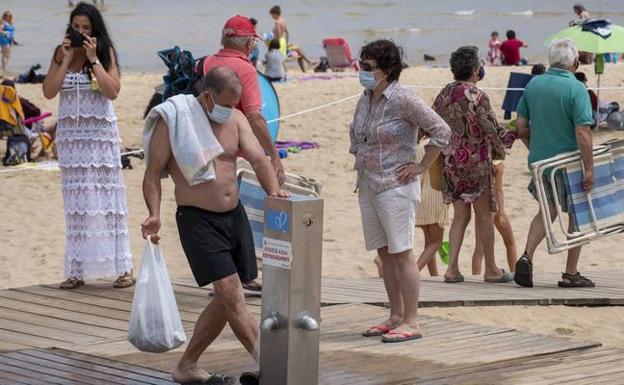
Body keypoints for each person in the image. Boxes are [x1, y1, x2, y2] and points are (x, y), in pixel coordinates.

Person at [142, 66, 286, 385]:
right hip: (197, 220)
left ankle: (187, 365)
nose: (230, 110)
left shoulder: (234, 119)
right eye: (225, 103)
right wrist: (154, 213)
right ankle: (274, 369)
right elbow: (152, 173)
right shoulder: (176, 120)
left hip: (234, 216)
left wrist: (274, 193)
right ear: (207, 96)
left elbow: (259, 159)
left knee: (226, 299)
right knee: (232, 294)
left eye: (235, 104)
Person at [350, 40, 451, 342]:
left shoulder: (404, 98)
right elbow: (356, 132)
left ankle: (411, 320)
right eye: (361, 65)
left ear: (387, 69)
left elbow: (442, 131)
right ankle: (395, 315)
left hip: (396, 186)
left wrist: (422, 165)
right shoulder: (366, 97)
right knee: (384, 253)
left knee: (402, 252)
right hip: (368, 183)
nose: (362, 71)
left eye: (368, 67)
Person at [42, 2, 133, 289]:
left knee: (109, 203)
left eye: (86, 28)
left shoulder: (105, 53)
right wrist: (67, 58)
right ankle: (76, 270)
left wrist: (93, 60)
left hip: (100, 137)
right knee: (76, 206)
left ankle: (124, 268)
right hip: (71, 139)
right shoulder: (61, 53)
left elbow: (113, 91)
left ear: (95, 30)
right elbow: (48, 91)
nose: (80, 32)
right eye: (76, 26)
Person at [203, 15, 285, 292]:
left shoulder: (207, 63)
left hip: (205, 143)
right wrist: (273, 153)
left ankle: (238, 274)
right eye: (252, 41)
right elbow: (254, 116)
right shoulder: (246, 69)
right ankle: (240, 275)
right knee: (235, 209)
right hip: (235, 144)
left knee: (223, 208)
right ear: (248, 41)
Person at [514, 38, 596, 288]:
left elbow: (520, 126)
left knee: (546, 211)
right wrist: (590, 168)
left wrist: (534, 148)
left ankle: (527, 256)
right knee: (576, 215)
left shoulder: (534, 84)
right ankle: (570, 273)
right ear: (574, 62)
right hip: (569, 163)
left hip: (541, 163)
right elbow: (583, 132)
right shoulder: (577, 89)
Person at [433, 46, 516, 284]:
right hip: (476, 165)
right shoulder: (478, 96)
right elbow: (493, 131)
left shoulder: (444, 93)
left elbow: (431, 121)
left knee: (460, 217)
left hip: (452, 163)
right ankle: (491, 269)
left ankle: (451, 268)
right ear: (474, 70)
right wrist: (513, 136)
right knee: (483, 216)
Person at [470, 159, 518, 274]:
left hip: (481, 208)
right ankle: (515, 272)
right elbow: (499, 190)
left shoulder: (476, 162)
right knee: (510, 242)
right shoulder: (498, 165)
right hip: (494, 207)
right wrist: (501, 212)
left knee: (479, 248)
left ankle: (476, 276)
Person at [269, 5, 313, 72]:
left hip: (279, 42)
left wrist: (276, 43)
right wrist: (286, 42)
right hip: (283, 41)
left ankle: (285, 71)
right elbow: (287, 33)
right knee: (296, 51)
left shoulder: (277, 22)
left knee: (280, 58)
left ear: (275, 14)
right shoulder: (283, 21)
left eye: (272, 15)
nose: (272, 17)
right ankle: (304, 68)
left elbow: (278, 34)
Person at [1, 11, 15, 79]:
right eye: (7, 15)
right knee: (5, 56)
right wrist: (6, 33)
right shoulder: (3, 22)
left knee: (8, 56)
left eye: (10, 15)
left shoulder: (10, 23)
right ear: (4, 16)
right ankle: (4, 71)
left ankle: (5, 70)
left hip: (10, 41)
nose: (8, 17)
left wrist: (13, 40)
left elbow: (12, 32)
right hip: (4, 40)